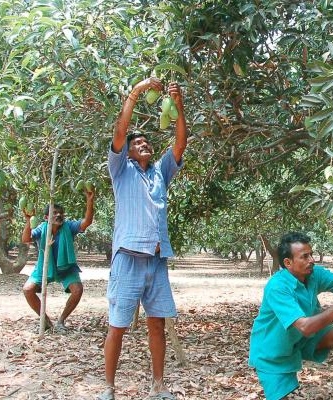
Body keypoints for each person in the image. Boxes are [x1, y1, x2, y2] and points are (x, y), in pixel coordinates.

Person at [98, 77, 187, 400]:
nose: (144, 145)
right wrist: (136, 92)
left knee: (157, 325)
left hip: (156, 258)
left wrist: (178, 106)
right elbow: (120, 132)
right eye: (138, 144)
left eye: (147, 142)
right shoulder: (120, 170)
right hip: (127, 258)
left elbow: (180, 144)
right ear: (129, 151)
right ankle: (108, 388)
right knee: (118, 325)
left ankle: (158, 386)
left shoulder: (160, 172)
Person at [248, 232, 333, 400]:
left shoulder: (313, 274)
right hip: (272, 352)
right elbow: (305, 326)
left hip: (300, 340)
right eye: (304, 257)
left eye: (311, 254)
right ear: (288, 263)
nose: (311, 260)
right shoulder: (277, 287)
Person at [21, 188, 95, 331]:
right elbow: (26, 239)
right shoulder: (42, 228)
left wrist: (89, 201)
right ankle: (46, 321)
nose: (59, 215)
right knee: (28, 290)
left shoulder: (69, 227)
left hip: (65, 267)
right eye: (54, 213)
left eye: (61, 213)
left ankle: (61, 321)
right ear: (46, 217)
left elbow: (87, 222)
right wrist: (27, 220)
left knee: (77, 290)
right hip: (45, 266)